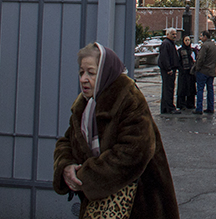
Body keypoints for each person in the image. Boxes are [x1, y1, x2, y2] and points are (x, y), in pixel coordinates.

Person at [53, 42, 179, 219]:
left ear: (105, 72)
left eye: (91, 72)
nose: (83, 78)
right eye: (81, 72)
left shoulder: (128, 98)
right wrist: (66, 166)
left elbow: (134, 152)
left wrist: (85, 177)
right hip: (101, 204)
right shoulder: (84, 106)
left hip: (141, 201)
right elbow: (67, 141)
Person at [191, 30, 216, 114]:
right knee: (210, 89)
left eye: (201, 36)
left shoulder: (205, 46)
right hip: (211, 71)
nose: (200, 37)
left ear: (205, 37)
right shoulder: (214, 46)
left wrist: (197, 68)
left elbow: (200, 59)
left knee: (200, 90)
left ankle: (199, 108)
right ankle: (210, 107)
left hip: (203, 71)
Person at [157, 28, 181, 114]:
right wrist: (168, 69)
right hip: (168, 70)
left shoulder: (169, 43)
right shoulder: (166, 44)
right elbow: (164, 57)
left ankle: (165, 108)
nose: (174, 36)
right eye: (172, 34)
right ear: (167, 35)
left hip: (170, 69)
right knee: (168, 89)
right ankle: (169, 107)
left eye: (175, 34)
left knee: (168, 88)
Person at [176, 34, 197, 110]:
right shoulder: (180, 50)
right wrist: (181, 69)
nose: (187, 42)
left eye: (188, 40)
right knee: (182, 89)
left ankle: (190, 103)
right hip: (183, 72)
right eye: (186, 40)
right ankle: (182, 104)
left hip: (191, 73)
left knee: (191, 89)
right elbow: (178, 61)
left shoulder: (193, 50)